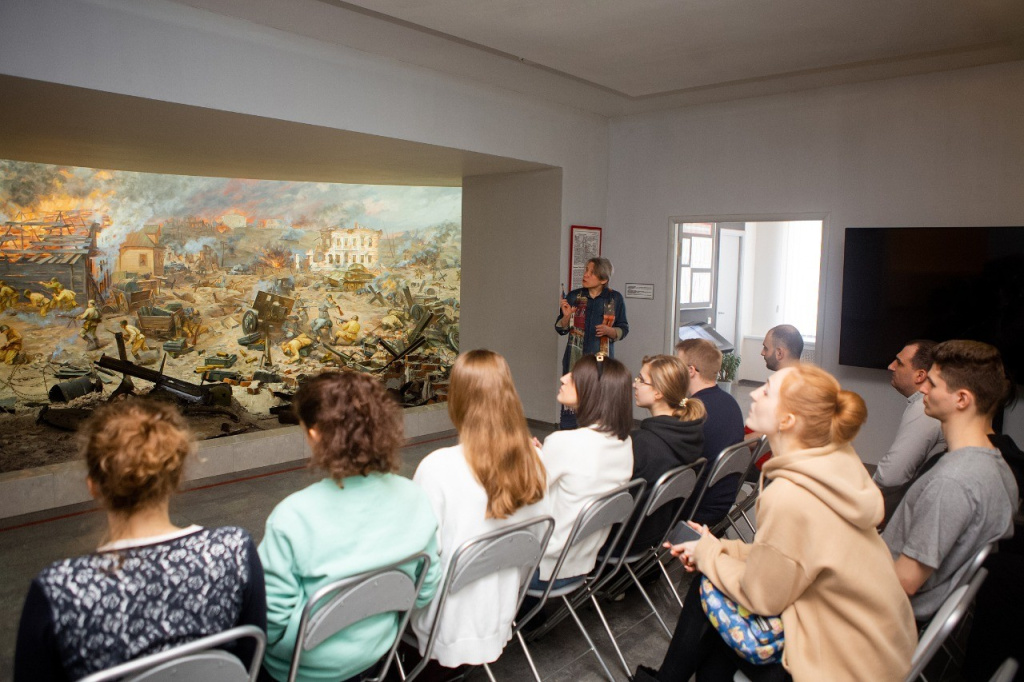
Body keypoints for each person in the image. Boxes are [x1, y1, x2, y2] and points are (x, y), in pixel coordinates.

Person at [638, 365, 917, 682]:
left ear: (788, 421)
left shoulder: (789, 495)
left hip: (838, 663)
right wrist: (718, 548)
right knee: (717, 597)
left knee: (710, 587)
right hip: (875, 649)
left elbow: (762, 596)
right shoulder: (836, 464)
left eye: (767, 391)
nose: (755, 393)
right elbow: (791, 558)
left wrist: (707, 554)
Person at [14, 399, 266, 681]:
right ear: (177, 476)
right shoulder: (234, 551)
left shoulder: (60, 590)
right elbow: (251, 662)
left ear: (93, 486)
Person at [258, 372, 441, 682]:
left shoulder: (292, 517)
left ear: (315, 436)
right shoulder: (415, 497)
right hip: (376, 654)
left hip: (300, 669)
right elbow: (425, 591)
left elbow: (269, 623)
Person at [410, 349, 549, 669]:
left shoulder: (437, 468)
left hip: (443, 624)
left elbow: (419, 564)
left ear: (456, 399)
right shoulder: (536, 461)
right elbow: (535, 544)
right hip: (500, 613)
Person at [882, 340, 1018, 621]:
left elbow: (904, 581)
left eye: (932, 384)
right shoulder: (996, 465)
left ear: (962, 399)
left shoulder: (953, 482)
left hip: (881, 615)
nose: (923, 389)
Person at [538, 353, 634, 584]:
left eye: (574, 377)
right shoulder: (624, 442)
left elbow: (520, 494)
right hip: (583, 562)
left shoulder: (565, 443)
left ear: (592, 391)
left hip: (545, 566)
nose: (563, 378)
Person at [629, 354, 706, 549]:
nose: (634, 384)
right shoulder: (690, 433)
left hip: (627, 540)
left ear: (658, 393)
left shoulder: (642, 443)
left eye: (641, 380)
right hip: (658, 532)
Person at [872, 340, 946, 521]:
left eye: (899, 362)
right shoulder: (921, 404)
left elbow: (891, 476)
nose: (891, 366)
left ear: (920, 375)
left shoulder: (923, 407)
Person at [675, 339, 745, 523]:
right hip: (722, 498)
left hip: (695, 507)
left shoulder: (694, 413)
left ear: (691, 371)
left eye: (677, 365)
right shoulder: (730, 402)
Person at [555, 257, 629, 428]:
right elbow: (560, 328)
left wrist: (610, 331)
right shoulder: (574, 296)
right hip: (574, 362)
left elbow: (623, 328)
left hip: (601, 363)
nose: (585, 275)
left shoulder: (614, 298)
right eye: (586, 270)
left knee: (598, 407)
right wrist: (566, 317)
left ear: (603, 279)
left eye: (591, 272)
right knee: (572, 409)